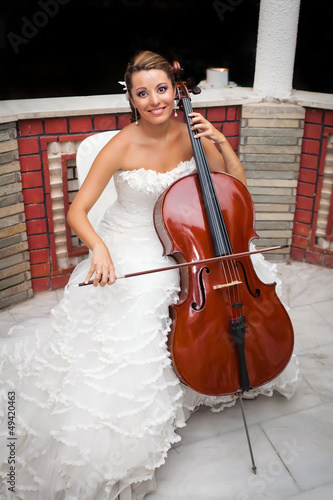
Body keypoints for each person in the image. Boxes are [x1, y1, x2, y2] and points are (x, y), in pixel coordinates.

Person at [0, 51, 299, 500]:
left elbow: (233, 187)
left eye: (162, 89)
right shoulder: (121, 144)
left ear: (176, 91)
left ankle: (212, 370)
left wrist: (219, 141)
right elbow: (78, 212)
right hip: (132, 239)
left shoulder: (190, 133)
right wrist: (98, 248)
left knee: (243, 271)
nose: (155, 99)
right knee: (146, 298)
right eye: (143, 93)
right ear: (133, 99)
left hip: (186, 235)